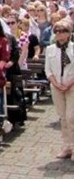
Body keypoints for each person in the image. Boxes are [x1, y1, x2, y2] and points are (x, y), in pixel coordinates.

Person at [44, 20, 74, 159]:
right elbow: (48, 70)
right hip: (57, 87)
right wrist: (56, 84)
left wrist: (68, 84)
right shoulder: (50, 49)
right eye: (56, 31)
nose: (59, 34)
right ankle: (67, 146)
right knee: (63, 117)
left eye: (62, 31)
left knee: (71, 117)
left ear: (69, 33)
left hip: (72, 86)